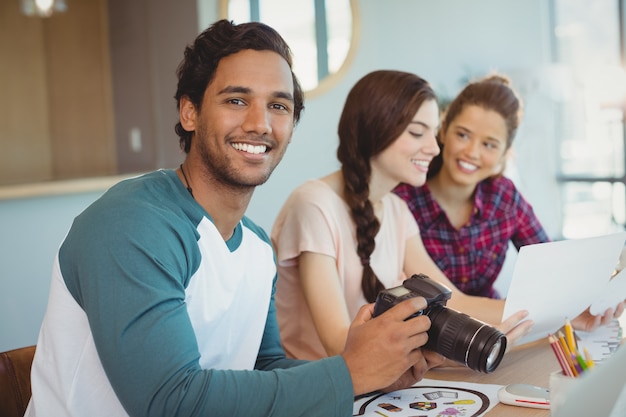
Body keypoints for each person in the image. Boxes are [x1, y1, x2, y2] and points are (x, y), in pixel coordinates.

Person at [25, 20, 442, 417]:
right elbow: (171, 402)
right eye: (236, 100)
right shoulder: (130, 224)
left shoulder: (258, 248)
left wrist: (375, 377)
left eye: (278, 106)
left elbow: (263, 369)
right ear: (189, 112)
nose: (259, 123)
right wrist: (349, 373)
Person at [271, 70, 532, 362]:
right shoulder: (313, 204)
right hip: (324, 392)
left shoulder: (396, 210)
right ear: (375, 127)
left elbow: (454, 300)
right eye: (418, 132)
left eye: (433, 133)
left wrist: (557, 314)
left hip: (376, 387)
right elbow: (339, 345)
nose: (434, 148)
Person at [394, 74, 623, 329]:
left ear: (505, 152)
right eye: (463, 135)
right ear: (444, 130)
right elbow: (444, 302)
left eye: (489, 144)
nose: (472, 152)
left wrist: (592, 292)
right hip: (425, 339)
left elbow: (549, 266)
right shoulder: (402, 202)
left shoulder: (504, 197)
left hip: (494, 330)